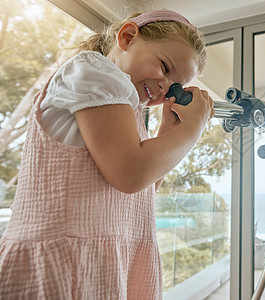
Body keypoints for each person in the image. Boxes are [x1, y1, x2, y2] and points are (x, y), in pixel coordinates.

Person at [0, 9, 214, 299]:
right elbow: (130, 174)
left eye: (173, 85)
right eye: (164, 66)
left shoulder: (126, 109)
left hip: (108, 264)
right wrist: (193, 129)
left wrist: (167, 132)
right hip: (67, 263)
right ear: (127, 37)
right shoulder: (95, 72)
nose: (165, 87)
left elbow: (141, 191)